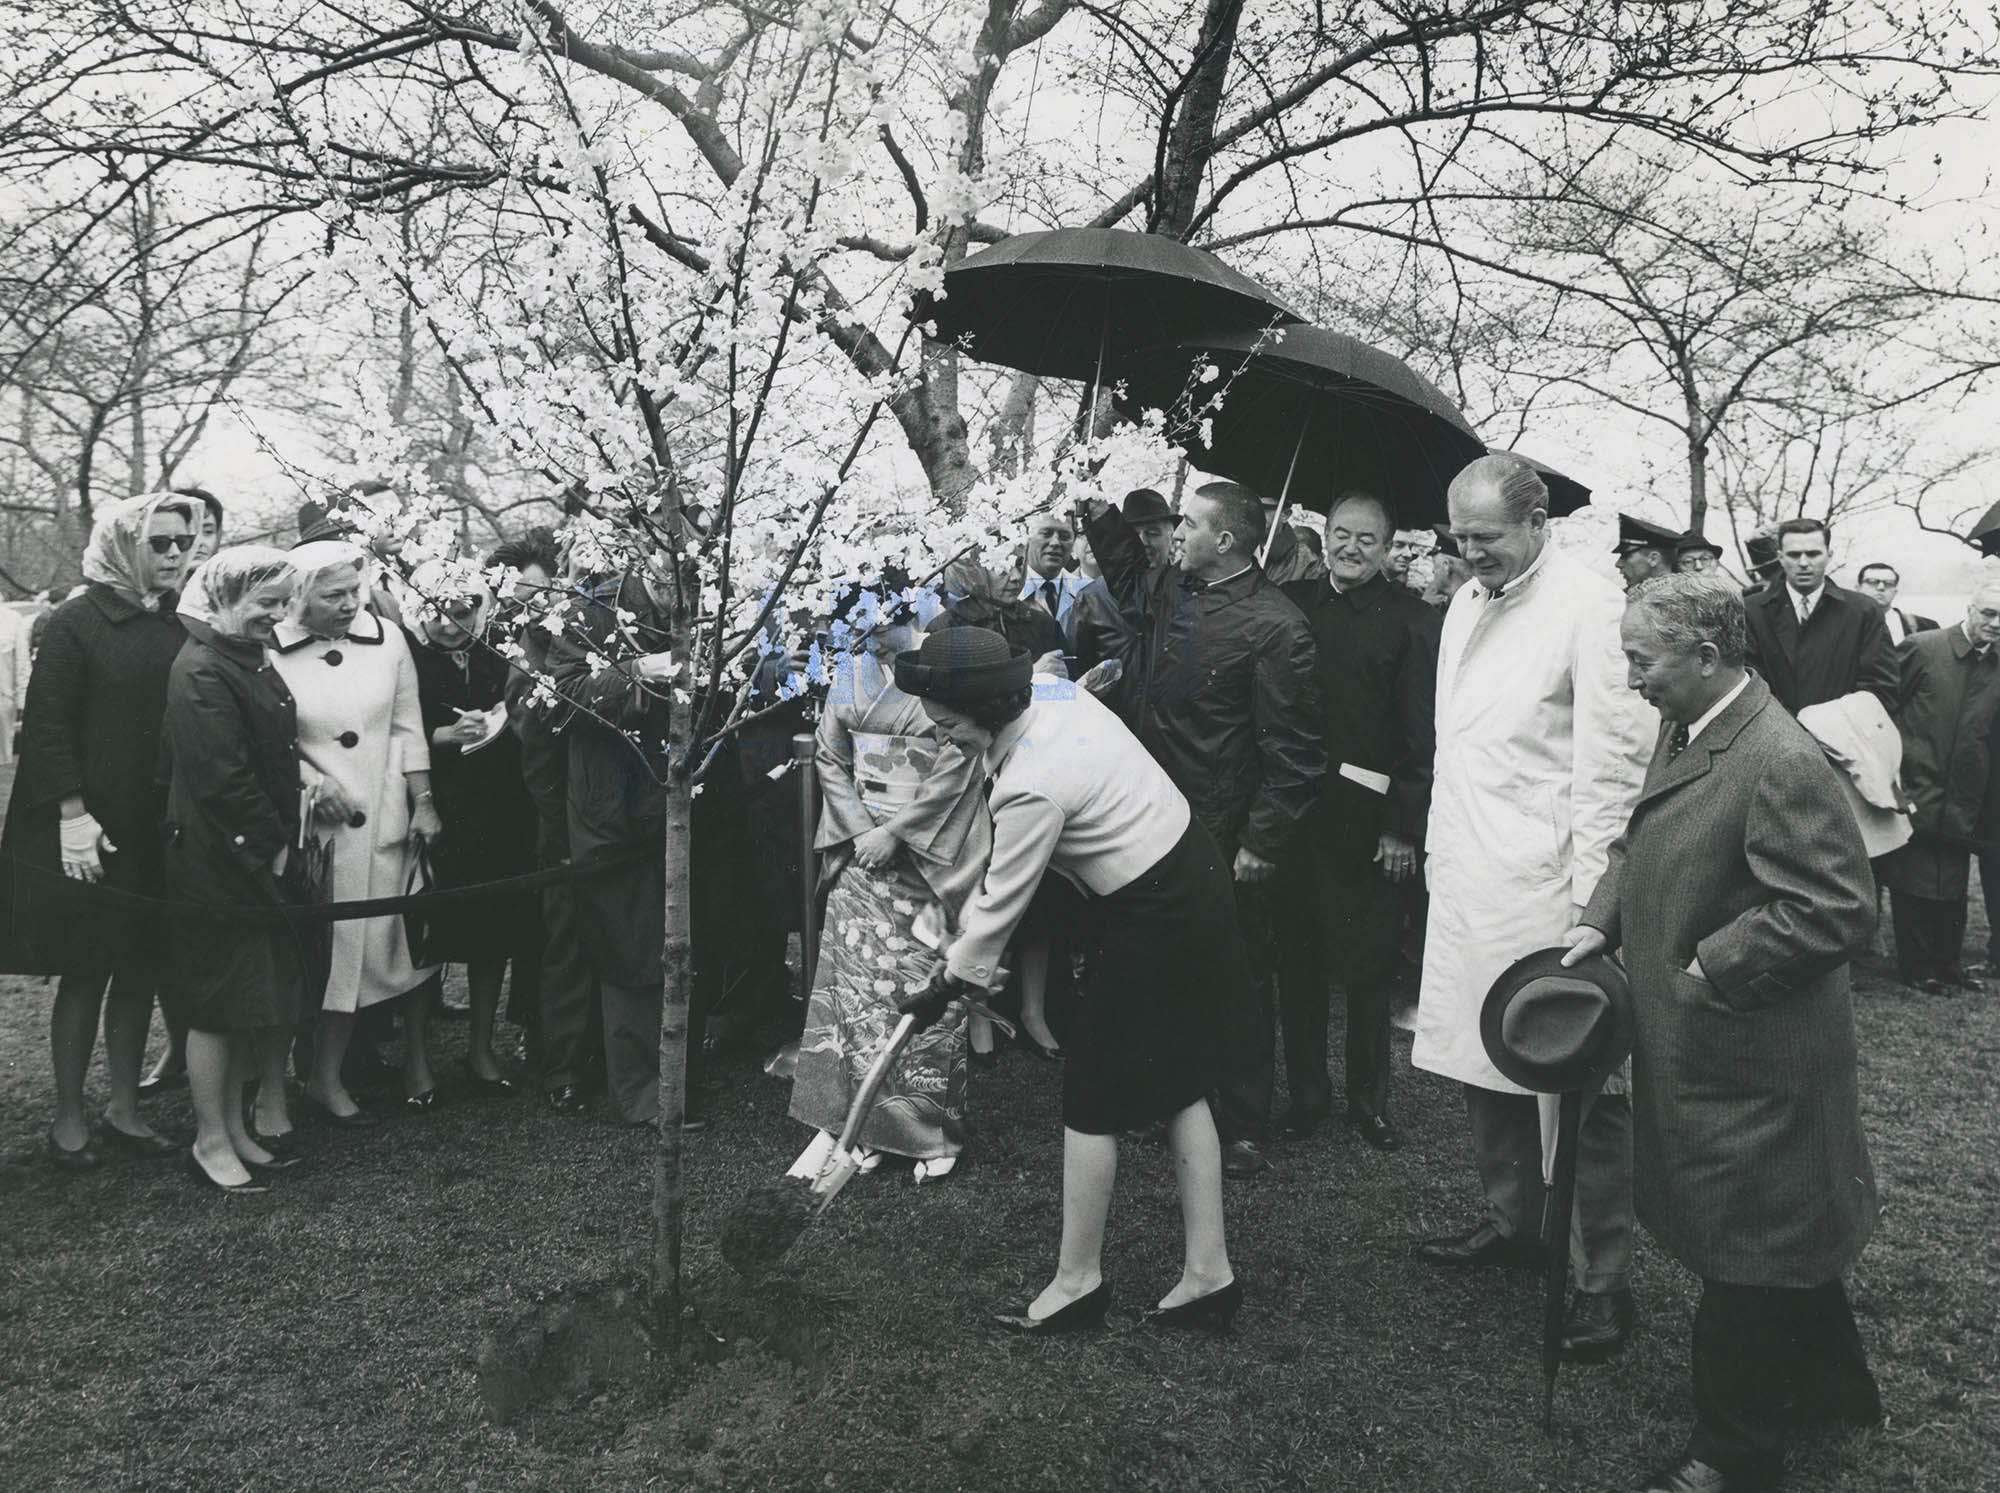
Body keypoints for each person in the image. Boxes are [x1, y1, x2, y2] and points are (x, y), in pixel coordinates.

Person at [1565, 573, 1881, 1493]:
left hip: (1755, 1054)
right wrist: (1600, 921)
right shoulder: (1693, 722)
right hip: (1715, 1047)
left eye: (1641, 660)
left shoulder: (1780, 758)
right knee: (1783, 1230)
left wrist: (1713, 966)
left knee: (1746, 1252)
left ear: (1708, 658)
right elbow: (1642, 836)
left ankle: (1735, 1451)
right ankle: (1834, 1387)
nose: (1632, 680)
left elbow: (1836, 905)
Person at [895, 627, 1244, 1333]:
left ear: (991, 708)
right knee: (1175, 1080)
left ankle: (1078, 1282)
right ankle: (1209, 1275)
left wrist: (947, 984)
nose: (943, 740)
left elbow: (1000, 905)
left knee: (1091, 1090)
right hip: (1188, 877)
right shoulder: (1049, 689)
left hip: (1161, 908)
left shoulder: (1032, 783)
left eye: (949, 726)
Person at [1413, 453, 1653, 1363]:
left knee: (1577, 1087)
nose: (1469, 553)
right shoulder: (1468, 601)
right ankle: (1515, 1224)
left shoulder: (1591, 606)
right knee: (1488, 1061)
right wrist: (1441, 852)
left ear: (1539, 521)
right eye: (1458, 536)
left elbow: (1611, 773)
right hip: (1474, 873)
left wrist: (1597, 909)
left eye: (1487, 537)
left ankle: (1601, 1280)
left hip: (1554, 888)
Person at [1089, 480, 1323, 1178]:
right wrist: (1094, 503)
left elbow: (1296, 754)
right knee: (1154, 960)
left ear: (1225, 541)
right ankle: (1166, 1097)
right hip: (1150, 816)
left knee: (1240, 971)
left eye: (1188, 523)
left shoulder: (1279, 627)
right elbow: (1127, 570)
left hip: (1225, 830)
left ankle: (1242, 1122)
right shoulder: (1171, 589)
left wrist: (1262, 840)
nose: (1175, 532)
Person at [0, 491, 198, 1170]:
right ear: (125, 545)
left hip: (151, 823)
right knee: (86, 967)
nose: (175, 553)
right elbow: (47, 726)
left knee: (140, 964)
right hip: (87, 825)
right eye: (160, 542)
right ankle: (67, 1116)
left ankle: (124, 1107)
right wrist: (72, 815)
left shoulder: (179, 622)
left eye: (183, 541)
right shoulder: (76, 619)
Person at [788, 594, 990, 1182]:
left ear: (911, 616)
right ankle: (864, 1127)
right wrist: (861, 833)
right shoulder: (849, 673)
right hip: (863, 850)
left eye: (881, 627)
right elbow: (830, 755)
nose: (871, 640)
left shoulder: (940, 671)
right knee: (856, 991)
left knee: (922, 988)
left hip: (929, 852)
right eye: (861, 629)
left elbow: (962, 760)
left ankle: (930, 1135)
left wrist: (897, 833)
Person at [1274, 491, 1440, 1152]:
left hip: (1371, 825)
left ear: (1389, 546)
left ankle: (1369, 1101)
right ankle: (1308, 1095)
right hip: (1296, 816)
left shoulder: (1413, 621)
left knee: (1369, 969)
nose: (1350, 548)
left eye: (1366, 539)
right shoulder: (1292, 605)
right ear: (1326, 535)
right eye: (1341, 534)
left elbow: (1420, 734)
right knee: (1300, 964)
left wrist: (1402, 824)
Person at [271, 540, 441, 1124]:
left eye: (355, 590)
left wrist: (423, 801)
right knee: (330, 954)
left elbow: (407, 724)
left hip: (386, 816)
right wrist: (310, 782)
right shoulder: (270, 647)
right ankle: (317, 1077)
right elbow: (265, 735)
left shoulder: (387, 638)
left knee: (391, 946)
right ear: (298, 595)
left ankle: (350, 1073)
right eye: (333, 593)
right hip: (317, 827)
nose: (349, 604)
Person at [163, 546, 311, 1191]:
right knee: (216, 1005)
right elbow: (223, 778)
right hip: (219, 859)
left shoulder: (241, 655)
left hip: (252, 849)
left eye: (283, 605)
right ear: (224, 599)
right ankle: (210, 1139)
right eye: (265, 604)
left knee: (247, 997)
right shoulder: (202, 669)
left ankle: (235, 1130)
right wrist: (273, 847)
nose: (276, 618)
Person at [404, 558, 539, 1091]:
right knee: (428, 937)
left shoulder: (497, 651)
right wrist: (444, 735)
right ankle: (417, 1057)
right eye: (438, 612)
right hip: (440, 803)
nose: (450, 623)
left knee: (493, 933)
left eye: (463, 611)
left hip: (500, 804)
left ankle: (481, 1050)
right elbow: (396, 728)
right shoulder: (409, 658)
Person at [493, 530, 600, 1114]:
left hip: (601, 813)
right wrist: (558, 834)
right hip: (559, 817)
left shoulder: (579, 628)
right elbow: (537, 753)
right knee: (564, 941)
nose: (537, 603)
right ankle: (563, 1063)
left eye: (545, 590)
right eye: (523, 596)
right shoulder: (525, 656)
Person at [1881, 578, 2000, 993]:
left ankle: (1947, 964)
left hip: (1966, 792)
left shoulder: (1998, 662)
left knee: (1952, 879)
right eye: (1989, 613)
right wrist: (1892, 774)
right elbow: (1885, 707)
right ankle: (1917, 968)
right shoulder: (1924, 648)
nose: (1996, 623)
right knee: (1912, 878)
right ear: (1969, 609)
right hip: (1916, 781)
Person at [1742, 518, 1895, 716]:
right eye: (1794, 555)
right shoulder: (1751, 611)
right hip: (1771, 739)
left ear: (1829, 555)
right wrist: (1788, 730)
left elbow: (1881, 686)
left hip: (1841, 739)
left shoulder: (1863, 611)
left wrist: (1827, 723)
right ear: (1780, 557)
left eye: (1813, 554)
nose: (1804, 563)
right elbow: (1746, 684)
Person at [1018, 510, 1082, 627]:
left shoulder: (1086, 593)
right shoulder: (1009, 593)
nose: (1055, 543)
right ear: (1027, 537)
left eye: (1064, 536)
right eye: (1046, 534)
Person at [1855, 562, 1936, 646]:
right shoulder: (1844, 622)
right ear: (1858, 588)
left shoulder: (1926, 626)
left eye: (1889, 583)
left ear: (1895, 591)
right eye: (1872, 582)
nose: (1881, 587)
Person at [1614, 514, 1681, 591]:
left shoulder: (1682, 601)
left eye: (1626, 556)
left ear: (1653, 559)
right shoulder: (1626, 598)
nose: (1618, 564)